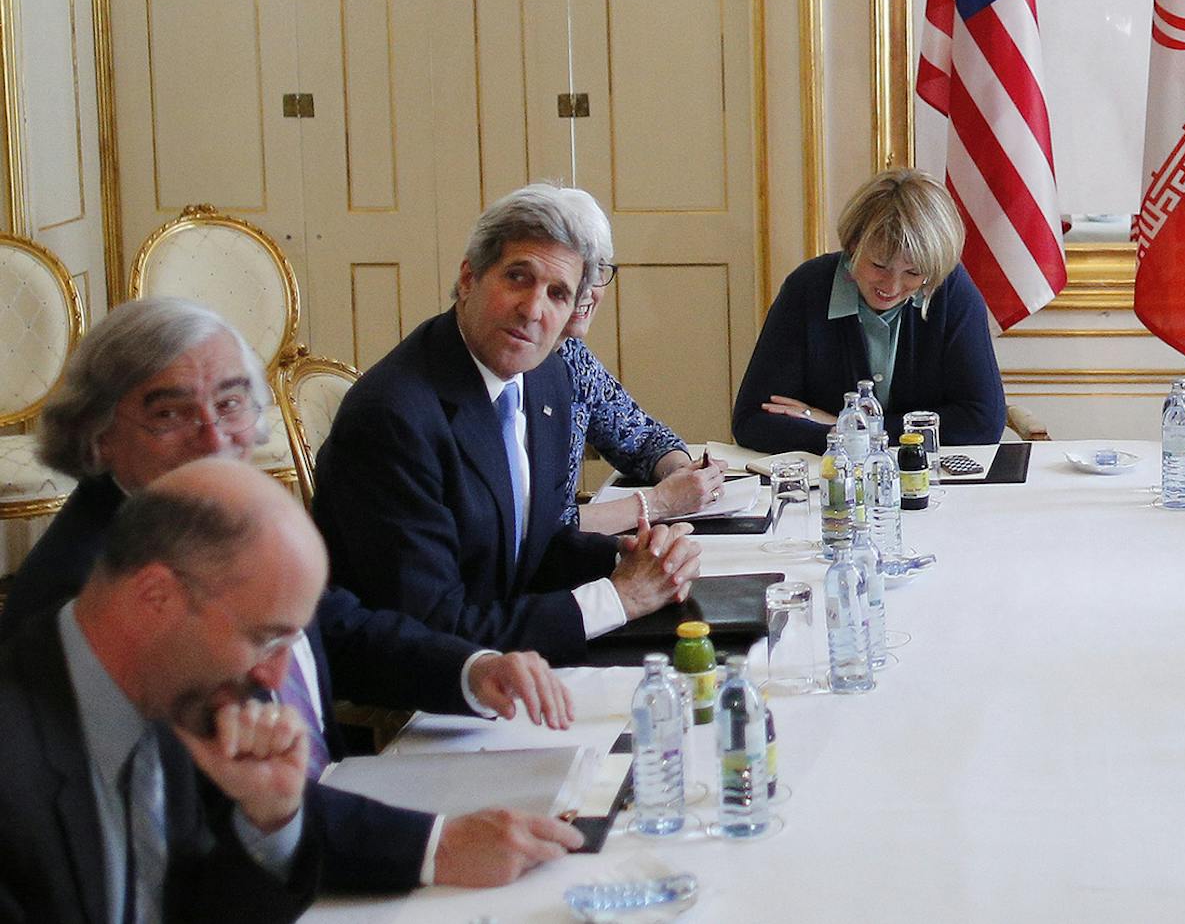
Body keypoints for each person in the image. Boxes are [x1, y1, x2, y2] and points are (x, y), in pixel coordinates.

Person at [0, 297, 586, 891]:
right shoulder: (90, 593)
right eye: (171, 414)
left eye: (229, 404)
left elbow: (337, 624)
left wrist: (473, 669)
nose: (213, 436)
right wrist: (434, 845)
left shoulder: (208, 518)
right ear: (98, 436)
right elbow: (206, 799)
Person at [312, 187, 702, 658]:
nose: (534, 309)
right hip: (428, 700)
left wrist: (629, 559)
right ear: (469, 277)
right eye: (518, 277)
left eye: (557, 294)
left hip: (509, 651)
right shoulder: (394, 418)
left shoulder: (546, 378)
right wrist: (618, 598)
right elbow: (433, 628)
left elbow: (530, 551)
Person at [0, 460, 327, 921]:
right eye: (264, 640)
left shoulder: (167, 699)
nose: (274, 681)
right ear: (157, 596)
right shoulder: (15, 756)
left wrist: (267, 818)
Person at [733, 168, 1005, 455]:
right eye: (878, 265)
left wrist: (846, 428)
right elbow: (752, 421)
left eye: (913, 272)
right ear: (853, 245)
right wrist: (853, 435)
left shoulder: (949, 290)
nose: (892, 285)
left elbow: (982, 423)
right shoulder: (808, 288)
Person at [537, 184, 729, 535]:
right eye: (570, 274)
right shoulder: (511, 368)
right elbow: (537, 528)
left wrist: (682, 473)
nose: (585, 291)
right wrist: (657, 503)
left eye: (596, 271)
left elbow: (640, 436)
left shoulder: (571, 356)